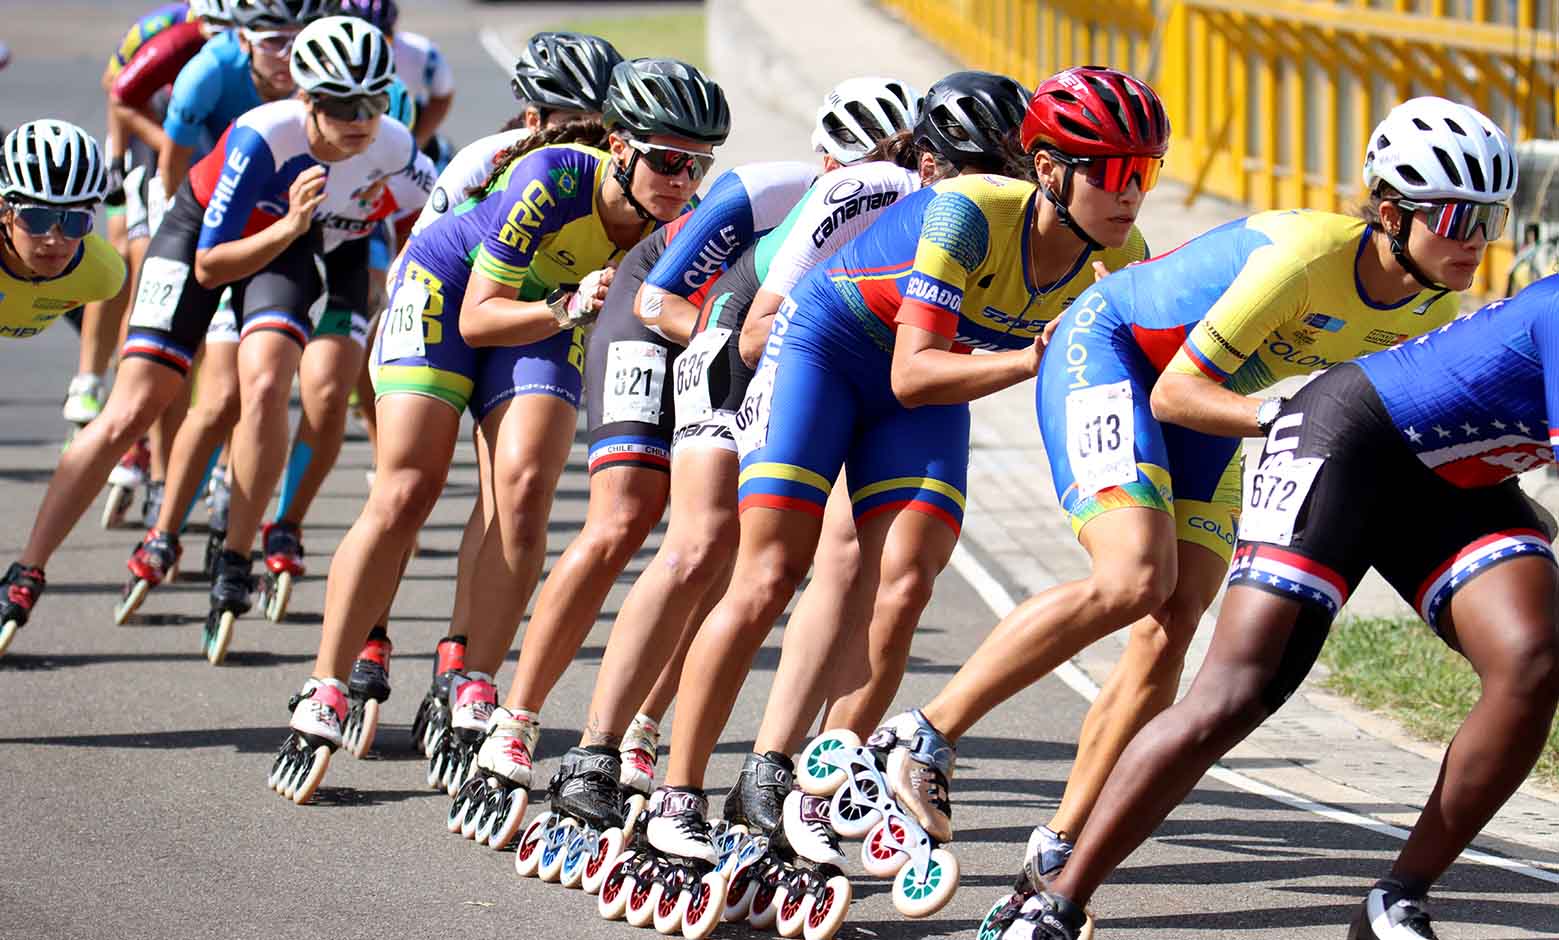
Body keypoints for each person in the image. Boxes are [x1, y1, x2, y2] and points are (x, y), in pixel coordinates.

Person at [812, 95, 1508, 935]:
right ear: (1391, 214)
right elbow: (1177, 391)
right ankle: (920, 736)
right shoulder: (1303, 258)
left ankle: (1058, 848)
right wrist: (1288, 420)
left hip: (1213, 399)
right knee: (1132, 576)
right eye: (1456, 218)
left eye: (1492, 219)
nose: (1476, 240)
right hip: (1112, 354)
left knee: (1173, 619)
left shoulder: (1434, 308)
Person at [629, 66, 1158, 928]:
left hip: (927, 384)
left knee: (907, 580)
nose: (1130, 193)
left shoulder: (1120, 258)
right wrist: (1029, 359)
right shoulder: (966, 212)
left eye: (1146, 171)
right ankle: (676, 796)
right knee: (768, 573)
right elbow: (914, 374)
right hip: (830, 352)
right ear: (1049, 170)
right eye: (1112, 171)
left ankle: (814, 784)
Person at [1014, 277, 1549, 940]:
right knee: (1236, 693)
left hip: (1454, 480)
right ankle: (1057, 901)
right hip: (1343, 439)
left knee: (1532, 659)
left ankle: (1394, 902)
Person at [265, 57, 728, 807]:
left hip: (550, 312)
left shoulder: (683, 221)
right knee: (408, 487)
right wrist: (568, 306)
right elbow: (480, 318)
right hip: (452, 290)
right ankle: (325, 683)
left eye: (698, 164)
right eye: (667, 159)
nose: (681, 180)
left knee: (524, 490)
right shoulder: (552, 178)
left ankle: (475, 676)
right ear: (619, 146)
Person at [0, 16, 415, 660]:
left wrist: (391, 279)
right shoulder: (261, 135)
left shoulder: (395, 145)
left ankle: (236, 557)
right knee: (133, 407)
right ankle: (27, 569)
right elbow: (209, 266)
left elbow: (421, 219)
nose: (359, 119)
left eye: (373, 103)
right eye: (341, 104)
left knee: (267, 384)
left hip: (285, 244)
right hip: (203, 236)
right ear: (306, 98)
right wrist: (291, 225)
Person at [0, 121, 123, 343]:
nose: (54, 240)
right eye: (37, 218)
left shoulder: (104, 273)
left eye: (75, 221)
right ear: (4, 212)